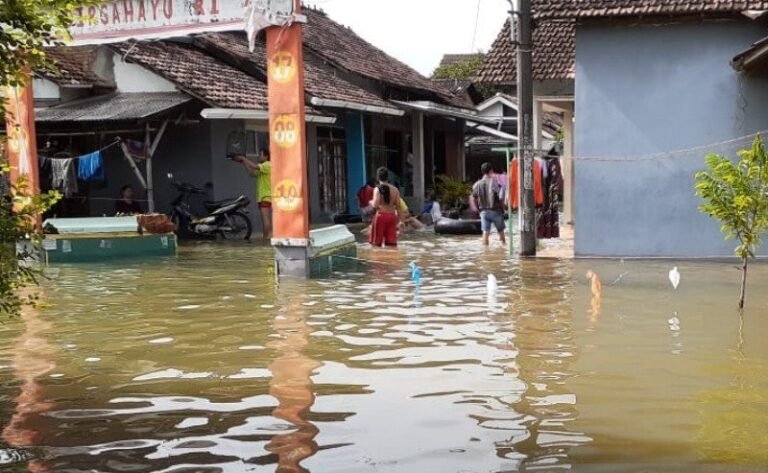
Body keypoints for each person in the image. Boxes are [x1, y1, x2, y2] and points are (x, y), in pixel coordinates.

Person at [234, 149, 272, 239]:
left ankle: (267, 236)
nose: (259, 156)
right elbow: (252, 173)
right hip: (264, 196)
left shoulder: (267, 164)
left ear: (266, 156)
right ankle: (267, 235)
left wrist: (244, 158)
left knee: (265, 218)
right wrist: (244, 162)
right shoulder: (263, 168)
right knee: (265, 218)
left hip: (266, 196)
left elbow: (254, 166)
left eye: (261, 154)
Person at [471, 162, 507, 246]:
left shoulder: (477, 184)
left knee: (485, 233)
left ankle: (485, 253)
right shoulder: (495, 182)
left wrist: (477, 209)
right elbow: (500, 197)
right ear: (491, 170)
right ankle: (504, 251)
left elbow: (474, 197)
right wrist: (504, 208)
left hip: (483, 212)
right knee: (501, 232)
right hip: (496, 211)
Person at [370, 166, 401, 247]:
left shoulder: (377, 189)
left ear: (378, 177)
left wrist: (371, 202)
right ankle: (391, 259)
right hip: (392, 217)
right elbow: (398, 205)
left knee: (376, 245)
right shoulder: (395, 190)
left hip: (381, 216)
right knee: (392, 244)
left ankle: (378, 259)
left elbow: (375, 205)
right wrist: (400, 220)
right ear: (388, 177)